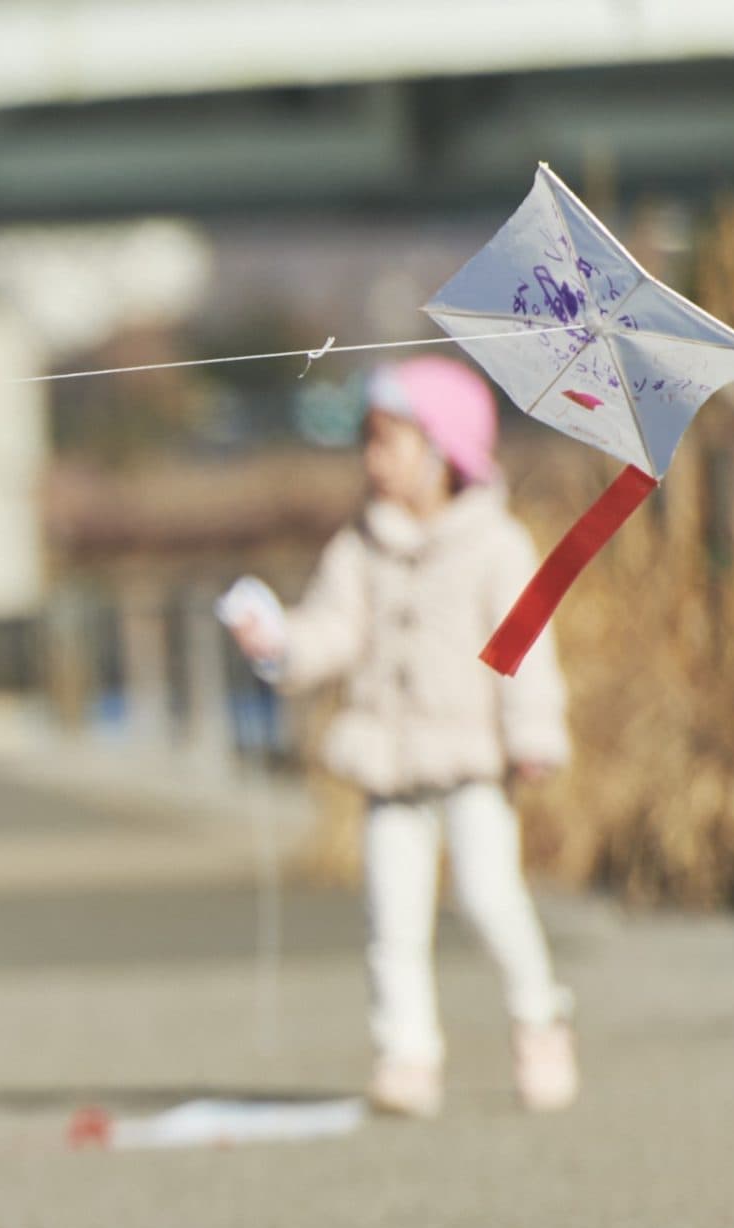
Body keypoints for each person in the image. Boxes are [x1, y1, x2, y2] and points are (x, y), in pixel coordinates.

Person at [225, 356, 578, 1117]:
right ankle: (407, 1051)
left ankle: (540, 1016)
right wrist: (281, 643)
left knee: (490, 896)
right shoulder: (360, 546)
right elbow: (332, 628)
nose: (372, 458)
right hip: (387, 764)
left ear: (444, 449)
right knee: (392, 919)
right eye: (368, 441)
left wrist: (534, 733)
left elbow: (526, 648)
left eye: (390, 440)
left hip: (474, 760)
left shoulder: (497, 545)